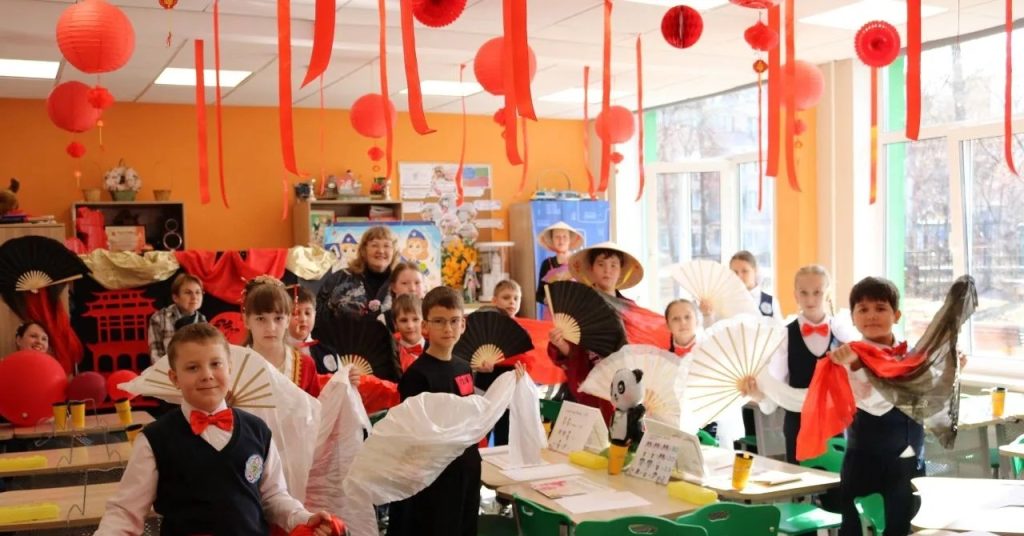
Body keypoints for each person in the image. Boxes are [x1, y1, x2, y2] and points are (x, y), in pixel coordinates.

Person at [94, 323, 339, 536]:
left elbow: (273, 497)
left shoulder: (257, 430)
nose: (207, 375)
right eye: (193, 368)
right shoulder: (155, 439)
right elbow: (125, 513)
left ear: (229, 369)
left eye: (216, 364)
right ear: (174, 378)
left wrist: (303, 517)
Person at [387, 286, 524, 536]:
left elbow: (472, 412)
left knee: (465, 526)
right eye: (439, 321)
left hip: (467, 466)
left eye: (453, 321)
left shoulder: (463, 367)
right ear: (425, 327)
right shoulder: (417, 375)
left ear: (463, 324)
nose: (447, 328)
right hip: (435, 475)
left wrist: (508, 384)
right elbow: (413, 435)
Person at [828, 277, 925, 536]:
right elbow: (874, 402)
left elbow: (930, 396)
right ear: (853, 317)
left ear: (897, 315)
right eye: (863, 309)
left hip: (911, 461)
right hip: (865, 462)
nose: (871, 316)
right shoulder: (847, 357)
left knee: (905, 527)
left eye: (880, 308)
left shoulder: (913, 354)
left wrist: (954, 367)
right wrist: (851, 366)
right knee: (858, 529)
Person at [747, 265, 856, 463]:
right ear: (795, 295)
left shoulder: (842, 333)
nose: (810, 299)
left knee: (836, 479)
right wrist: (759, 395)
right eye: (804, 292)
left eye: (817, 292)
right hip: (798, 422)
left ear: (828, 293)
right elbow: (776, 384)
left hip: (834, 421)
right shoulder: (784, 335)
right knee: (798, 478)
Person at [548, 242, 642, 423]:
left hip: (623, 385)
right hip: (586, 384)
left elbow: (641, 347)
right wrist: (561, 344)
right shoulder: (577, 305)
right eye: (601, 264)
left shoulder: (630, 309)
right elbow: (572, 353)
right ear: (591, 269)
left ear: (621, 271)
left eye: (613, 265)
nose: (607, 270)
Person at [243, 276, 322, 397]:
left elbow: (316, 406)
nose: (271, 328)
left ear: (288, 319)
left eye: (278, 318)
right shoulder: (233, 365)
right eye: (261, 319)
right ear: (246, 320)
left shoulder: (306, 365)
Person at [473, 279, 523, 445]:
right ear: (494, 300)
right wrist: (478, 365)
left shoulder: (522, 330)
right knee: (481, 434)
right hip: (484, 387)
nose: (512, 302)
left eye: (516, 298)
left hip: (509, 390)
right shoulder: (485, 325)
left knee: (506, 435)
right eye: (506, 297)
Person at [317, 226, 398, 320]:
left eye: (387, 246)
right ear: (364, 250)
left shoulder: (401, 281)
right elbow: (318, 312)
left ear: (394, 251)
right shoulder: (341, 278)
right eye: (374, 245)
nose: (380, 251)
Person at [148, 273, 206, 359]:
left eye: (198, 292)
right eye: (188, 293)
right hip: (167, 366)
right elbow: (156, 355)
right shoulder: (159, 318)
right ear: (175, 298)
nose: (194, 297)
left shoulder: (203, 321)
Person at [288, 286, 341, 375]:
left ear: (315, 315)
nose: (303, 319)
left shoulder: (328, 353)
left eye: (307, 313)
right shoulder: (275, 352)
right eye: (295, 313)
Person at [535, 222, 584, 305]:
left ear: (570, 240)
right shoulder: (546, 264)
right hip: (552, 311)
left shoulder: (578, 263)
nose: (561, 240)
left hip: (576, 310)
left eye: (565, 237)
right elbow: (539, 294)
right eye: (557, 237)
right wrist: (546, 300)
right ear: (552, 240)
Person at [728, 250, 782, 320]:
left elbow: (779, 326)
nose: (739, 276)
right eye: (735, 272)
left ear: (755, 270)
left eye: (745, 271)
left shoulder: (771, 302)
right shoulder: (725, 301)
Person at [392, 293, 425, 373]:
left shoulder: (435, 347)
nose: (410, 326)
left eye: (415, 319)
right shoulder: (391, 352)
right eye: (404, 320)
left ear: (424, 321)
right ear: (395, 324)